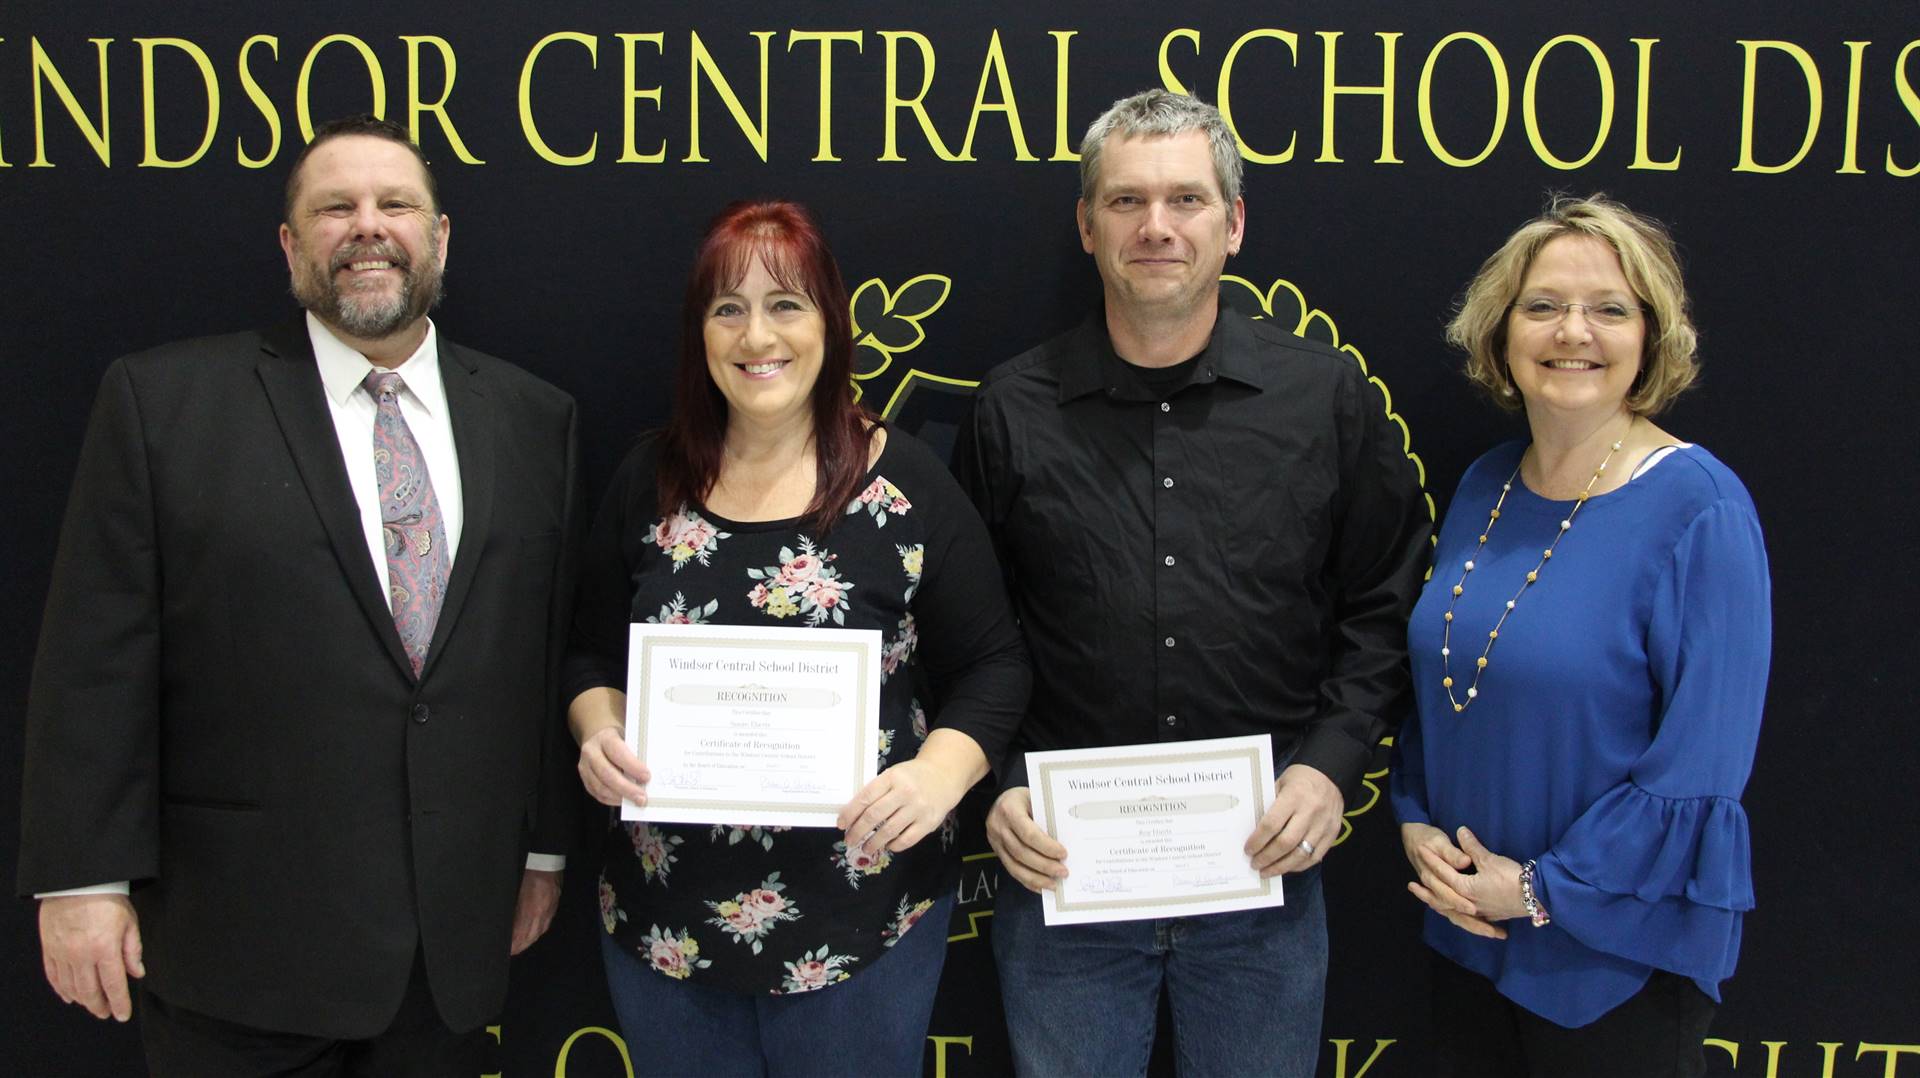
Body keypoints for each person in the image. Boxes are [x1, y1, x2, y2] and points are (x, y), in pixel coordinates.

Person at [16, 114, 581, 1075]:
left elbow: (540, 650)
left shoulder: (536, 419)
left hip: (445, 952)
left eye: (396, 204)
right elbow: (94, 659)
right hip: (237, 955)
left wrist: (542, 853)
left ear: (440, 238)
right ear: (290, 245)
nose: (368, 227)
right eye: (335, 208)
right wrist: (80, 880)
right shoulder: (164, 405)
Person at [954, 88, 1431, 1076]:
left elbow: (1387, 598)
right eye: (1125, 202)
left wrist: (1329, 761)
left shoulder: (1321, 397)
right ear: (1087, 227)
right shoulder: (1012, 408)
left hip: (1261, 879)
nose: (1157, 227)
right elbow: (965, 630)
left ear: (1235, 223)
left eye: (1186, 200)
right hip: (1065, 884)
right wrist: (991, 784)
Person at [563, 199, 1028, 1076]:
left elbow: (995, 663)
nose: (756, 334)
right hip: (668, 929)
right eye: (727, 308)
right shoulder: (647, 480)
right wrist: (597, 729)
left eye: (787, 304)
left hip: (860, 926)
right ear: (700, 333)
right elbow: (588, 652)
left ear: (830, 324)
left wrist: (939, 775)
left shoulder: (904, 482)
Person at [1390, 194, 1770, 1077]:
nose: (1574, 332)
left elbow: (1702, 767)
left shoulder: (1700, 509)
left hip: (1610, 960)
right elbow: (1446, 684)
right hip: (1468, 937)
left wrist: (1535, 891)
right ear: (1501, 333)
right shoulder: (1486, 484)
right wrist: (1415, 822)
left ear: (1651, 336)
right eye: (1543, 306)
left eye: (1608, 309)